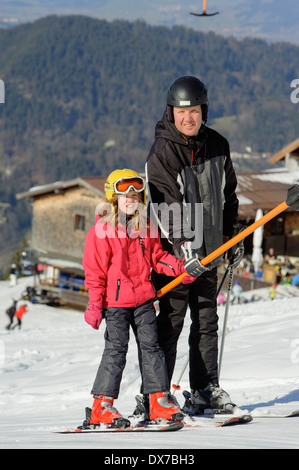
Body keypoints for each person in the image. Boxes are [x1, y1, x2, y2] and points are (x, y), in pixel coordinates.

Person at [145, 76, 243, 414]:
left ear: (204, 110)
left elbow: (228, 197)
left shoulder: (219, 145)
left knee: (206, 322)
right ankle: (155, 394)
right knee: (170, 323)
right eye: (181, 111)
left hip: (210, 252)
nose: (188, 117)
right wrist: (186, 248)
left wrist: (233, 237)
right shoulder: (163, 152)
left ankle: (204, 388)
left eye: (195, 110)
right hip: (175, 259)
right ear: (171, 111)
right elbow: (164, 205)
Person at [82, 169, 195, 427]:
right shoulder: (102, 231)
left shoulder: (145, 227)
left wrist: (180, 269)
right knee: (116, 350)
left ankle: (157, 401)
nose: (131, 201)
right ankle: (102, 405)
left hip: (143, 300)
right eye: (126, 197)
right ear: (113, 199)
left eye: (136, 196)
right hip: (115, 304)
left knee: (152, 348)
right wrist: (94, 304)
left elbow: (157, 258)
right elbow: (94, 271)